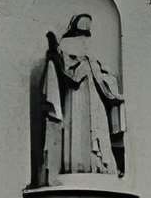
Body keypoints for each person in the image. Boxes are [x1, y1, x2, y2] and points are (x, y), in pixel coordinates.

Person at [41, 14, 126, 180]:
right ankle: (77, 168)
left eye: (87, 33)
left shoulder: (91, 55)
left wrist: (106, 78)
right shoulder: (65, 50)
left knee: (98, 131)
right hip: (76, 100)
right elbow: (68, 74)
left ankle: (99, 166)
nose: (85, 38)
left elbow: (104, 78)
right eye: (82, 32)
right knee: (78, 131)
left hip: (95, 100)